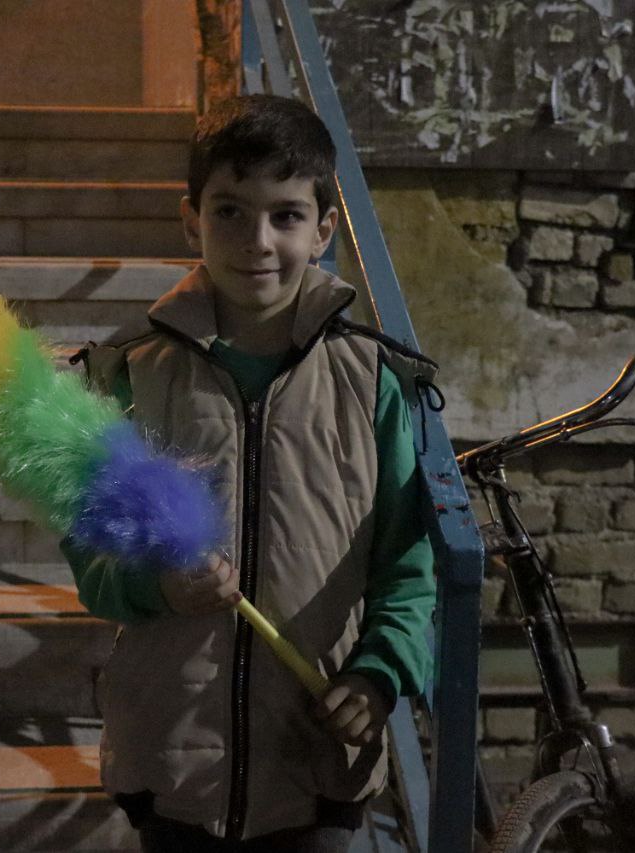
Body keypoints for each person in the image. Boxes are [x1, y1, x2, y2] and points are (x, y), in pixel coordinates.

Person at [62, 93, 437, 852]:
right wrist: (157, 587)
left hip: (315, 759)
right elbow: (91, 554)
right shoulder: (128, 374)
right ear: (191, 220)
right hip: (170, 757)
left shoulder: (373, 381)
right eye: (230, 212)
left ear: (324, 230)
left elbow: (409, 561)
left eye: (286, 215)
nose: (257, 241)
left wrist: (379, 672)